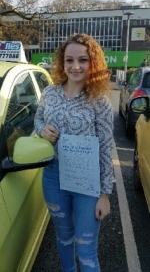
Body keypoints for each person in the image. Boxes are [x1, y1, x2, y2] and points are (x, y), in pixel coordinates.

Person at [34, 33, 114, 272]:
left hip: (87, 182)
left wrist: (105, 195)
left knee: (86, 248)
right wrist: (42, 130)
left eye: (83, 60)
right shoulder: (50, 93)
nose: (75, 66)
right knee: (64, 238)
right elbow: (37, 118)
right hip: (53, 177)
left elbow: (105, 148)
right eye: (69, 60)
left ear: (93, 63)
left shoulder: (99, 101)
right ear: (62, 62)